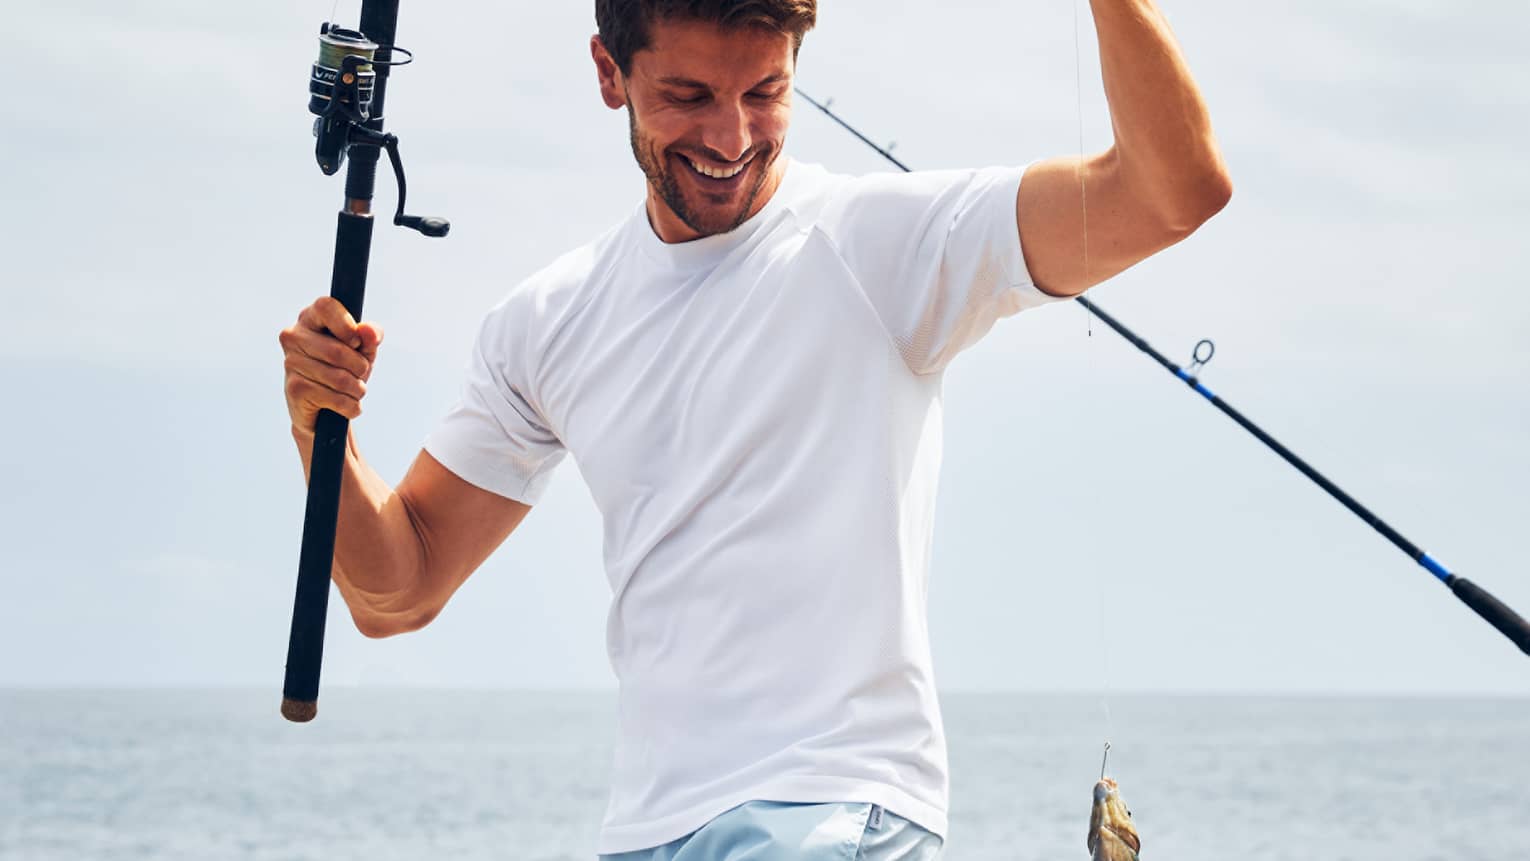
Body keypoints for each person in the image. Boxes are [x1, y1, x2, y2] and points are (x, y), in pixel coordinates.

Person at [278, 1, 1231, 857]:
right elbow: (393, 590)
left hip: (834, 812)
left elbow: (1169, 190)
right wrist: (325, 430)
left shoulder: (886, 245)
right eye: (688, 94)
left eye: (765, 92)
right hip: (647, 831)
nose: (732, 136)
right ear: (610, 73)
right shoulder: (549, 321)